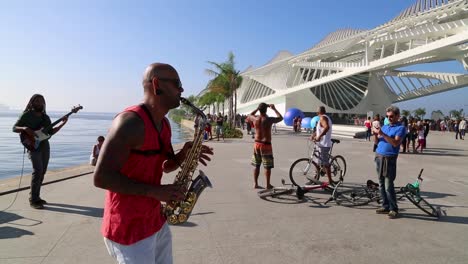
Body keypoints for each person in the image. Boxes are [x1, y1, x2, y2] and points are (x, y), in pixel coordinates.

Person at [93, 63, 214, 264]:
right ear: (156, 84)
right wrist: (156, 192)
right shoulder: (129, 123)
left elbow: (166, 166)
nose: (182, 89)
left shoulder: (164, 124)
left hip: (155, 220)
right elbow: (101, 177)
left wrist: (184, 154)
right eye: (177, 83)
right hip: (128, 227)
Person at [12, 94, 68, 209]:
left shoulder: (45, 117)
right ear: (32, 103)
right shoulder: (27, 115)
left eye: (41, 101)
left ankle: (36, 197)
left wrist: (63, 123)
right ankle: (33, 199)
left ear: (43, 103)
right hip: (32, 146)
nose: (39, 103)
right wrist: (25, 128)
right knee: (37, 171)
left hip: (44, 146)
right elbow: (14, 128)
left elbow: (51, 132)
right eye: (36, 101)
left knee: (42, 171)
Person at [372, 106, 406, 219]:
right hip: (379, 156)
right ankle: (385, 205)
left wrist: (382, 133)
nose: (389, 118)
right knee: (381, 184)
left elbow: (395, 143)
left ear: (397, 116)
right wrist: (375, 134)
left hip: (389, 158)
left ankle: (393, 208)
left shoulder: (400, 128)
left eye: (391, 116)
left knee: (388, 185)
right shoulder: (385, 127)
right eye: (387, 116)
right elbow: (377, 141)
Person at [247, 103, 283, 189]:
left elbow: (249, 115)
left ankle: (255, 184)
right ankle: (267, 185)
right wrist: (274, 109)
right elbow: (281, 118)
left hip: (256, 144)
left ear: (259, 110)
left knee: (257, 165)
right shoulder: (268, 119)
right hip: (266, 145)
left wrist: (257, 108)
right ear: (266, 110)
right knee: (267, 167)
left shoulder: (255, 119)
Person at [310, 106, 336, 185]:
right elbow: (319, 129)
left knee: (325, 163)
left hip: (324, 144)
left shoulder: (323, 118)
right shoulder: (324, 118)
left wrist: (319, 136)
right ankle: (316, 177)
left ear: (318, 113)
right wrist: (313, 135)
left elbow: (326, 127)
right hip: (321, 144)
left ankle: (330, 181)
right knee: (317, 161)